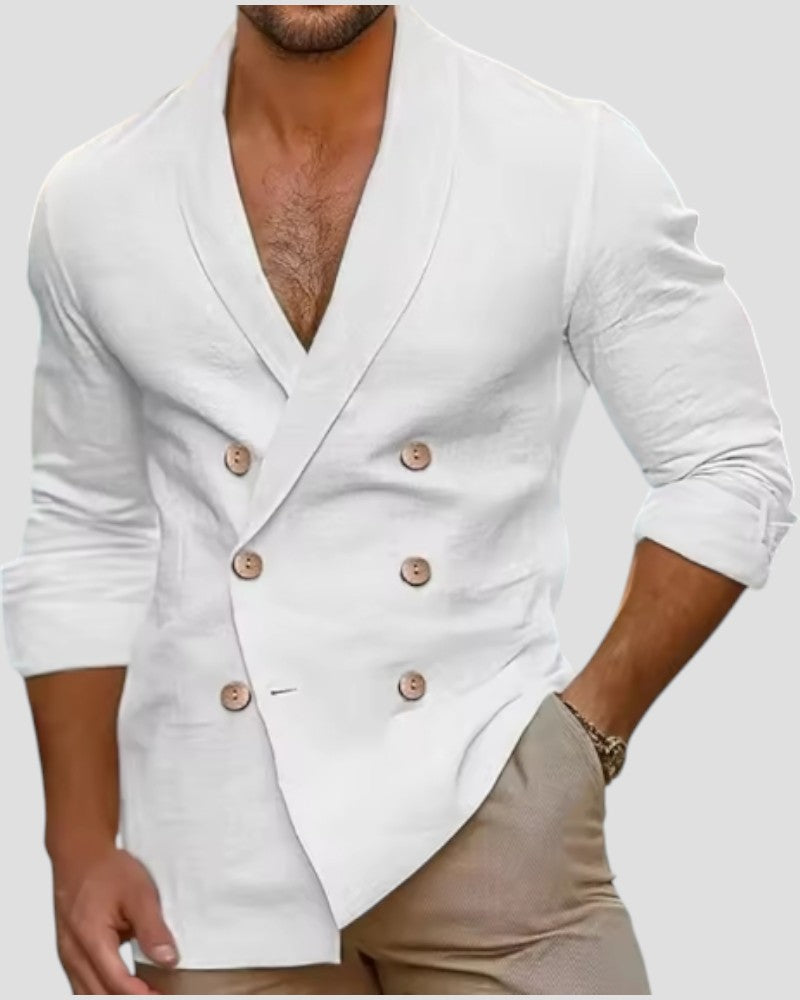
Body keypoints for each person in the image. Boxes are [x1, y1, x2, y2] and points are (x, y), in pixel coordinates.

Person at [1, 4, 795, 995]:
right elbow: (84, 525)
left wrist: (583, 738)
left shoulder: (569, 160)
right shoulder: (95, 199)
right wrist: (77, 842)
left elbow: (729, 458)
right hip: (210, 861)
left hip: (488, 818)